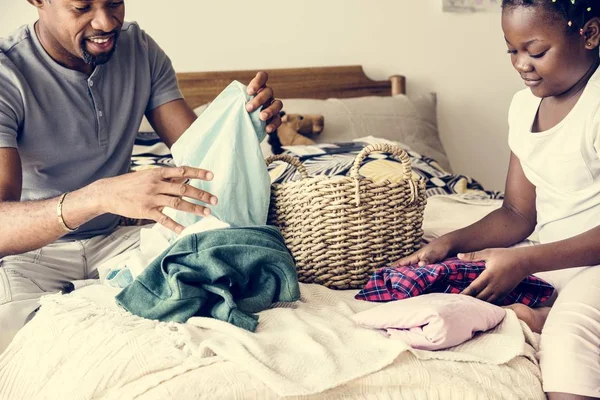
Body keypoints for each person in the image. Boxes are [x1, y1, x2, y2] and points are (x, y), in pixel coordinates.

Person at [0, 0, 283, 352]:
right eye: (82, 7)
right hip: (31, 256)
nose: (105, 22)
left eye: (114, 2)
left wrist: (242, 124)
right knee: (20, 338)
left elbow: (200, 156)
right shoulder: (6, 73)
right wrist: (98, 196)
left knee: (227, 267)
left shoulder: (139, 49)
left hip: (117, 243)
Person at [396, 1, 600, 398]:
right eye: (512, 50)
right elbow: (517, 213)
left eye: (536, 51)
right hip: (556, 257)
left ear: (590, 35)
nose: (522, 64)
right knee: (445, 288)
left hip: (593, 261)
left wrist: (524, 260)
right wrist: (450, 243)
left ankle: (550, 320)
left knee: (570, 339)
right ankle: (539, 315)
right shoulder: (523, 106)